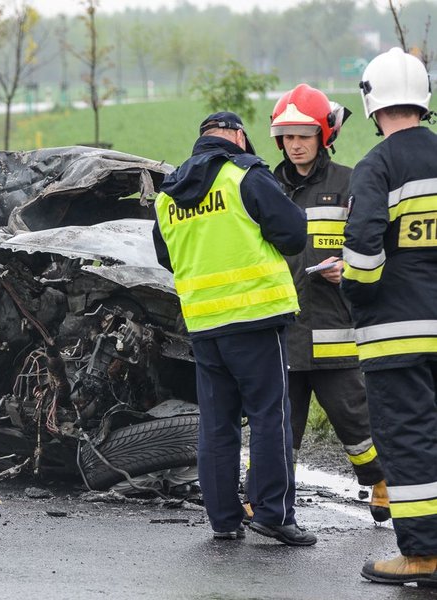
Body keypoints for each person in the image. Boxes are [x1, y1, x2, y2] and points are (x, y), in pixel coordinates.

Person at [153, 111, 316, 546]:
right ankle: (274, 514)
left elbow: (166, 257)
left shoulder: (168, 194)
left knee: (217, 424)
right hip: (256, 318)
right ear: (239, 137)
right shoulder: (243, 174)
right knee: (269, 415)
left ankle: (224, 520)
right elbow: (294, 234)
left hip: (204, 324)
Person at [269, 84, 389, 522]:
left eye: (304, 135)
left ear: (324, 136)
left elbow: (375, 242)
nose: (295, 145)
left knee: (354, 421)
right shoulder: (265, 186)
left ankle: (379, 481)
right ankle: (268, 499)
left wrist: (348, 269)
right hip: (283, 328)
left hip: (335, 327)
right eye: (288, 136)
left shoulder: (349, 182)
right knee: (281, 425)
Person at [342, 47, 437, 585]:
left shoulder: (377, 165)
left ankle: (423, 556)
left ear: (373, 102)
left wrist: (354, 288)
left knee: (408, 441)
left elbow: (363, 248)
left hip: (396, 337)